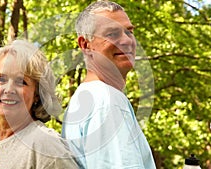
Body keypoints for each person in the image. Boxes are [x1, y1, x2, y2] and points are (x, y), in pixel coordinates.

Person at [62, 1, 156, 169]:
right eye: (112, 34)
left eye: (129, 32)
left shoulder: (86, 99)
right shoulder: (106, 101)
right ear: (85, 45)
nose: (127, 41)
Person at [0, 39, 80, 168]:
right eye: (1, 79)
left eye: (21, 81)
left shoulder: (46, 146)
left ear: (37, 94)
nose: (8, 89)